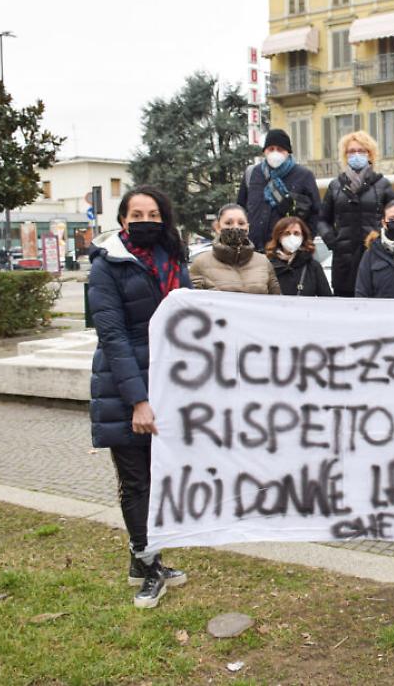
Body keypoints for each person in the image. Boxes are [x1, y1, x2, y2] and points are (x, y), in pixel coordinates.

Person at [87, 186, 192, 608]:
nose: (145, 219)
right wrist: (138, 401)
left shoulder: (173, 260)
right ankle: (149, 568)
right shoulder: (107, 265)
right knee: (136, 481)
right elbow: (112, 337)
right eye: (137, 213)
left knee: (159, 475)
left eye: (153, 213)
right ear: (123, 220)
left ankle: (141, 559)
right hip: (125, 386)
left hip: (169, 381)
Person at [317, 131, 394, 297]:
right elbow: (322, 220)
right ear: (345, 156)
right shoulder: (335, 186)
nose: (356, 155)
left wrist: (383, 242)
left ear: (370, 154)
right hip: (344, 263)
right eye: (351, 151)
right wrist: (333, 241)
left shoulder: (383, 185)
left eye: (362, 151)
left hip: (375, 259)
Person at [236, 128, 321, 251]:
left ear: (288, 152)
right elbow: (240, 209)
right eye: (271, 149)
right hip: (254, 252)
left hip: (287, 252)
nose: (275, 153)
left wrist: (305, 243)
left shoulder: (304, 176)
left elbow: (316, 213)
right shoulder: (252, 174)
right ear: (265, 151)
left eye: (280, 149)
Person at [189, 203, 280, 294]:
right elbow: (191, 302)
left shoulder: (263, 262)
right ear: (218, 227)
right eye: (228, 223)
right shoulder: (201, 263)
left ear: (247, 228)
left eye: (241, 223)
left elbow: (276, 301)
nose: (235, 227)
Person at [266, 216, 333, 297]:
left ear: (303, 237)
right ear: (279, 237)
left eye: (296, 233)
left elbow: (326, 299)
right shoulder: (267, 265)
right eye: (287, 233)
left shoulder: (313, 267)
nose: (292, 237)